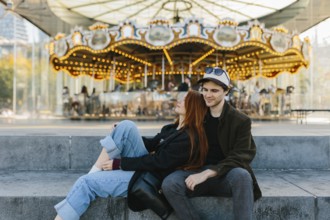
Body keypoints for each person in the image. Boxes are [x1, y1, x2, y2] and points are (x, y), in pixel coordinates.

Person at [54, 90, 208, 220]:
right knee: (126, 126)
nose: (179, 100)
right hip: (143, 169)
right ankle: (96, 169)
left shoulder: (189, 138)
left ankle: (94, 173)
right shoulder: (170, 129)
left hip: (146, 178)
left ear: (193, 107)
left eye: (185, 100)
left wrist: (119, 164)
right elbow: (151, 144)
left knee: (86, 182)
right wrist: (120, 133)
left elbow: (157, 162)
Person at [162, 67, 262, 220]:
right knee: (169, 183)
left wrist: (207, 173)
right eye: (205, 89)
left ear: (226, 91)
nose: (208, 95)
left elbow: (241, 156)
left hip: (225, 175)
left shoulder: (241, 121)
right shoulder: (198, 112)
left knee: (242, 175)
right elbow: (174, 131)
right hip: (195, 172)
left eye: (214, 91)